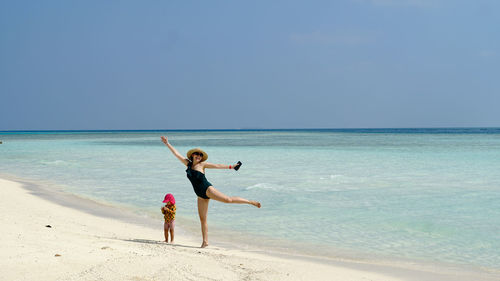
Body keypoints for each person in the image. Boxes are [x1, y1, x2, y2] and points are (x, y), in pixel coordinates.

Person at [161, 136, 261, 248]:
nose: (199, 156)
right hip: (199, 195)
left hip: (207, 189)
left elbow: (217, 166)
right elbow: (176, 154)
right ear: (192, 155)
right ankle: (205, 242)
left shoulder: (202, 165)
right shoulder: (188, 164)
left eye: (200, 155)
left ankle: (250, 202)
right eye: (197, 154)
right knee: (203, 219)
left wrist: (231, 166)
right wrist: (167, 143)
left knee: (228, 200)